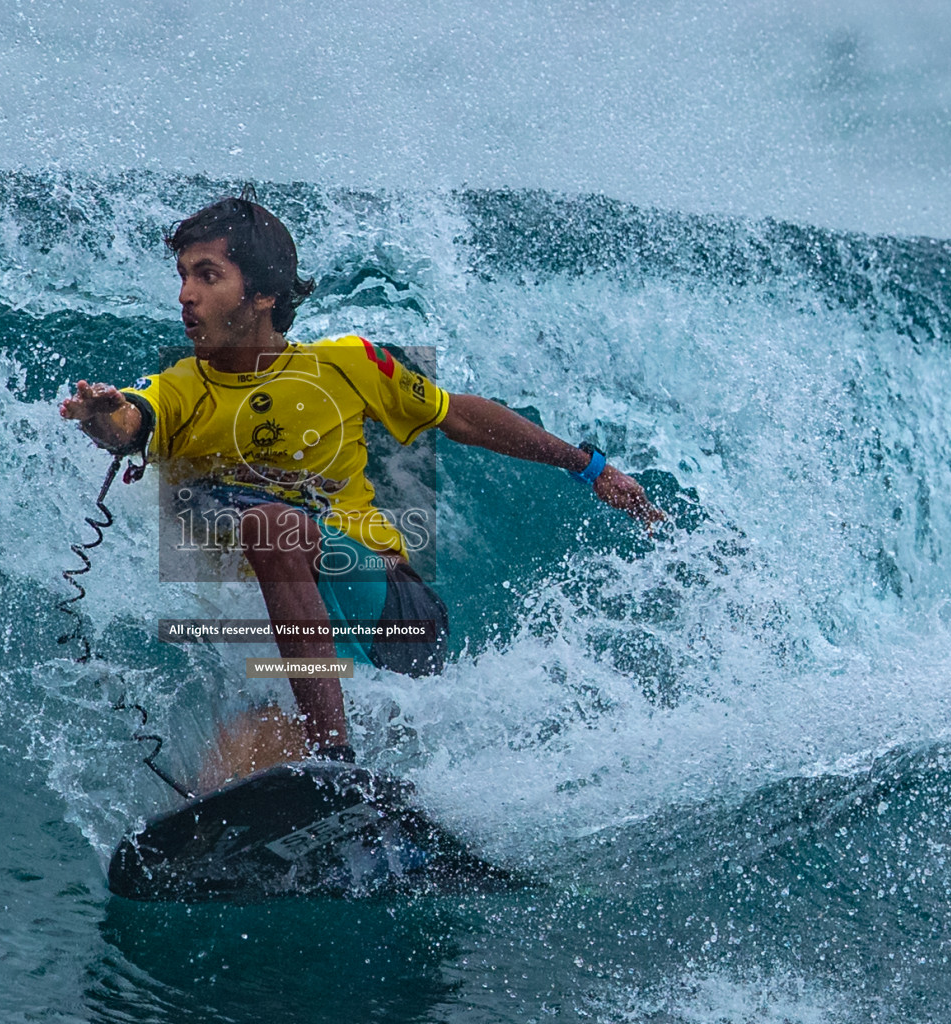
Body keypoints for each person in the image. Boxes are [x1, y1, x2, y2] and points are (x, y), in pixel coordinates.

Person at [60, 198, 663, 761]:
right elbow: (132, 420)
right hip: (313, 659)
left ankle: (334, 760)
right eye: (183, 276)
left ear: (265, 292)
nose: (187, 295)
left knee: (271, 525)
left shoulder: (343, 364)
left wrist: (587, 466)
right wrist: (100, 416)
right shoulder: (182, 387)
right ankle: (346, 803)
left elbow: (459, 416)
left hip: (395, 618)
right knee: (228, 779)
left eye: (208, 275)